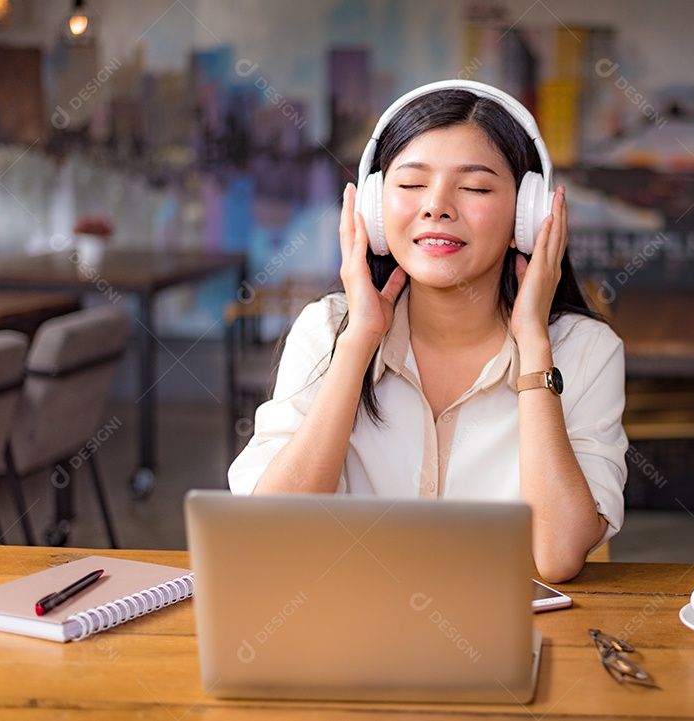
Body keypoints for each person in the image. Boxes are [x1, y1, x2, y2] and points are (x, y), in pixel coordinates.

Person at [229, 80, 627, 582]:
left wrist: (533, 345)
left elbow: (557, 555)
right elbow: (273, 534)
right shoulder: (327, 330)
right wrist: (357, 345)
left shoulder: (586, 351)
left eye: (476, 187)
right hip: (348, 636)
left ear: (529, 217)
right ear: (373, 207)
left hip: (509, 643)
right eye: (412, 184)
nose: (436, 206)